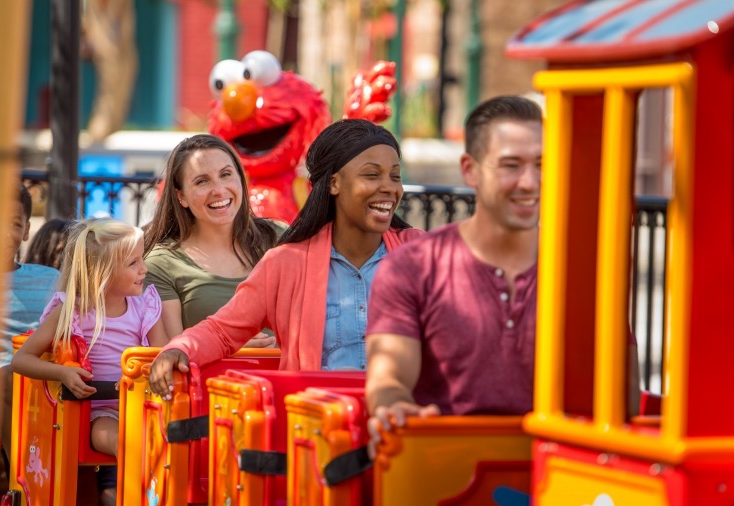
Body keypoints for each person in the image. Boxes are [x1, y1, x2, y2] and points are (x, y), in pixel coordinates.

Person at [365, 96, 640, 448]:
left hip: (562, 478)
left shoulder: (591, 272)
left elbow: (623, 399)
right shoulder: (412, 267)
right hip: (445, 473)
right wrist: (394, 409)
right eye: (511, 165)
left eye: (542, 164)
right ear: (470, 170)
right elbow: (389, 380)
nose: (529, 182)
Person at [148, 119, 424, 399]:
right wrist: (179, 349)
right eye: (372, 175)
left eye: (395, 176)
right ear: (334, 183)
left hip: (407, 424)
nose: (389, 187)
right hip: (319, 425)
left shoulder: (422, 254)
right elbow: (222, 330)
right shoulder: (286, 262)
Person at [11, 218, 168, 506]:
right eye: (134, 263)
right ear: (104, 273)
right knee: (129, 444)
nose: (144, 269)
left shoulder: (144, 306)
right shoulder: (73, 310)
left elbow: (159, 356)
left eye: (142, 259)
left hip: (143, 406)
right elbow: (22, 359)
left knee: (171, 440)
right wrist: (62, 373)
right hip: (99, 412)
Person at [143, 134, 281, 347]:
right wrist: (230, 349)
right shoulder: (160, 264)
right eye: (202, 181)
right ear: (181, 197)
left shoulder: (280, 238)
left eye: (226, 174)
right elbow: (170, 358)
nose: (218, 190)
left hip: (284, 378)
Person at [0, 184, 60, 464]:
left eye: (14, 224)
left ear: (27, 230)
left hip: (41, 381)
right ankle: (21, 482)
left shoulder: (50, 278)